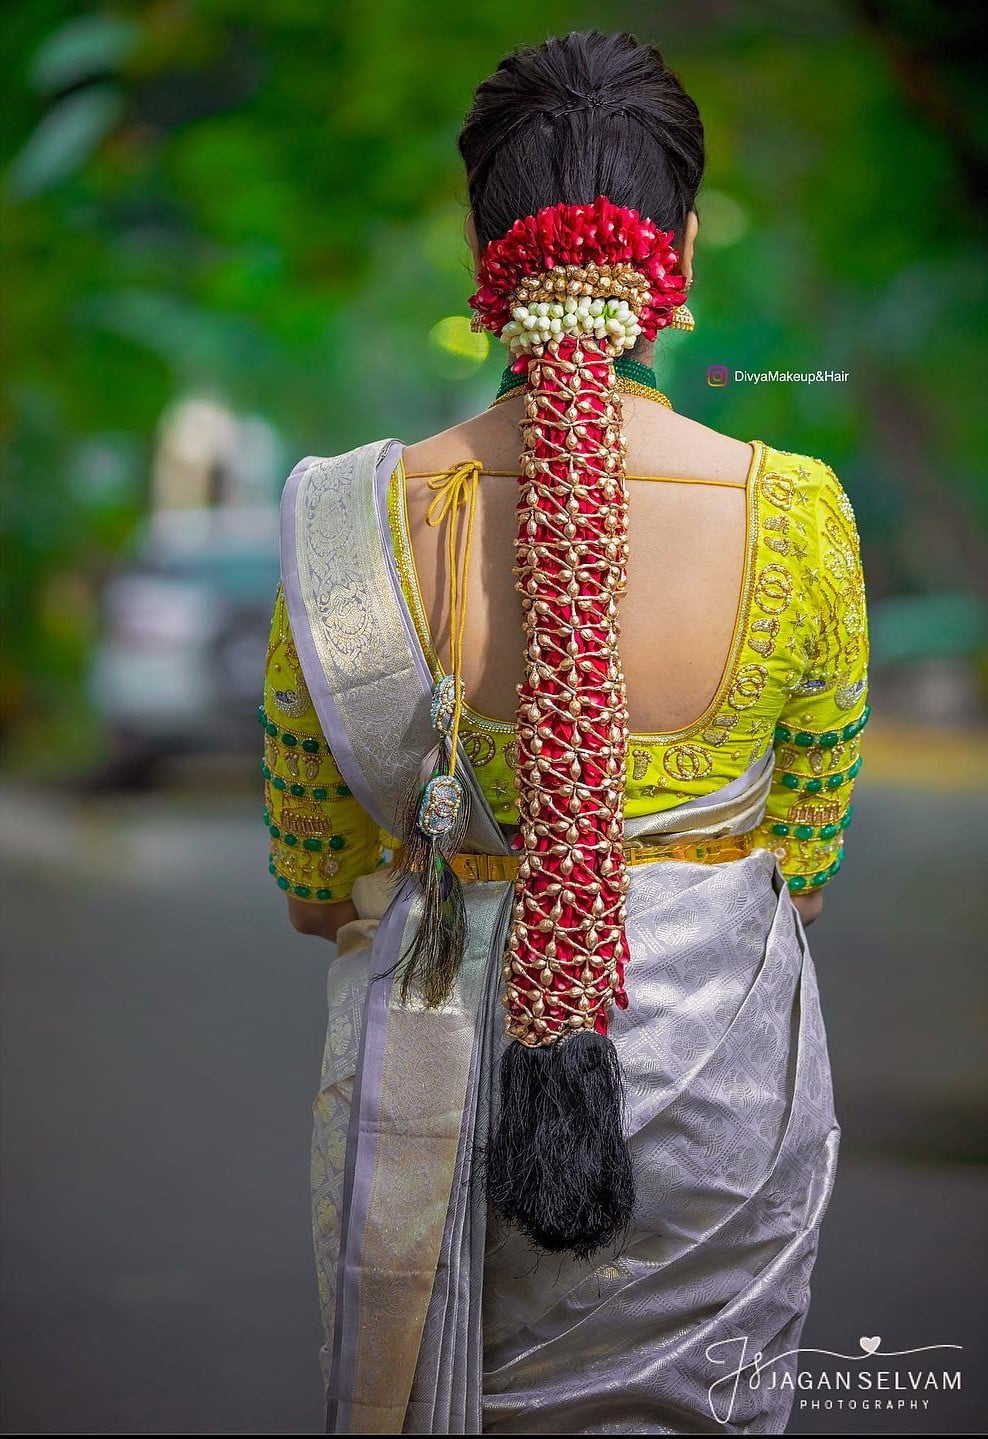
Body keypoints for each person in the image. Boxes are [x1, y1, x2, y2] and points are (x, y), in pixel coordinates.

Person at [259, 29, 869, 1436]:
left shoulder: (351, 526)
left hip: (437, 1127)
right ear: (684, 252)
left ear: (483, 258)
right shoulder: (803, 517)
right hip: (717, 1117)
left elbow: (314, 887)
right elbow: (806, 874)